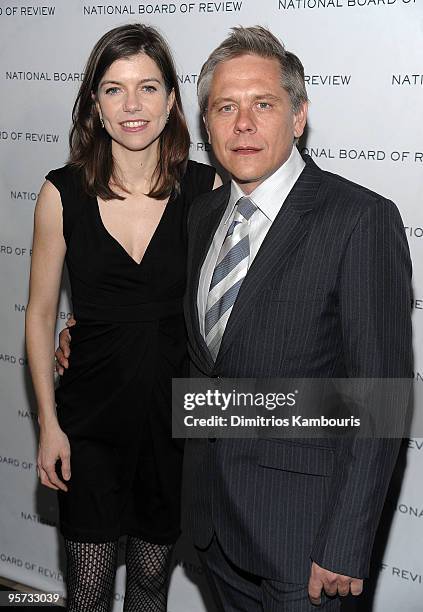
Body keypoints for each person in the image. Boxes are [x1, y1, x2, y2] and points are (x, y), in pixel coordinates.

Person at [179, 27, 412, 610]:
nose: (244, 123)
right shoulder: (203, 216)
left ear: (299, 115)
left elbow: (379, 397)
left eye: (264, 104)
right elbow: (208, 360)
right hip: (213, 527)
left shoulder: (360, 219)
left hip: (305, 543)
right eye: (225, 107)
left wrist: (345, 541)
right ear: (207, 125)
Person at [25, 23, 218, 612]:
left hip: (172, 424)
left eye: (148, 87)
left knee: (152, 586)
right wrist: (49, 425)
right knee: (86, 591)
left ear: (171, 100)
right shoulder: (62, 193)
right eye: (114, 89)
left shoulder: (206, 189)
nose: (132, 106)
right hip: (89, 425)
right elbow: (37, 316)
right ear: (94, 104)